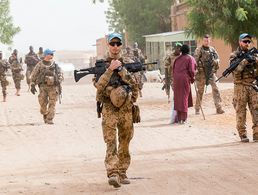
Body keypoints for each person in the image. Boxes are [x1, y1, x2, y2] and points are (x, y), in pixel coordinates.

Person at [94, 33, 139, 188]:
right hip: (109, 109)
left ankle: (122, 171)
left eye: (118, 44)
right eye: (112, 44)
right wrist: (109, 70)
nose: (115, 47)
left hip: (126, 109)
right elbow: (99, 87)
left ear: (121, 45)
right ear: (108, 45)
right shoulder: (101, 64)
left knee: (125, 141)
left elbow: (136, 85)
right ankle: (113, 173)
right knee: (111, 142)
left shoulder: (129, 63)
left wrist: (121, 70)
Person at [230, 33, 258, 142]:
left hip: (253, 86)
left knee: (256, 110)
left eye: (248, 42)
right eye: (245, 41)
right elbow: (236, 70)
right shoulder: (234, 55)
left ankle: (256, 134)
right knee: (240, 111)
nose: (247, 43)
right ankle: (243, 135)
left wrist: (255, 60)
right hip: (240, 86)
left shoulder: (255, 54)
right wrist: (246, 60)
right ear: (239, 42)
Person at [30, 49, 63, 124]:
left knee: (52, 103)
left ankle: (50, 118)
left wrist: (59, 81)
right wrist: (32, 84)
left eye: (52, 54)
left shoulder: (55, 64)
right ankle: (45, 113)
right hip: (43, 87)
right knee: (42, 103)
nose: (52, 55)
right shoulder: (40, 64)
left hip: (53, 87)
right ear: (46, 55)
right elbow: (34, 74)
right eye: (50, 54)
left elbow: (60, 74)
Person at [194, 34, 224, 115]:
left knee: (216, 89)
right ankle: (197, 108)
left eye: (208, 41)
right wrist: (194, 72)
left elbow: (218, 58)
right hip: (202, 74)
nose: (206, 42)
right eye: (205, 41)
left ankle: (219, 108)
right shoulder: (198, 50)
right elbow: (194, 61)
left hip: (211, 73)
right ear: (202, 41)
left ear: (210, 41)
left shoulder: (212, 49)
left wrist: (216, 61)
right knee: (200, 91)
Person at [173, 44, 196, 124]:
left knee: (178, 98)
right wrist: (193, 79)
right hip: (184, 79)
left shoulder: (177, 59)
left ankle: (179, 118)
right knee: (184, 98)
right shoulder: (190, 58)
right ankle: (184, 118)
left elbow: (173, 70)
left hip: (176, 80)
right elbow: (192, 70)